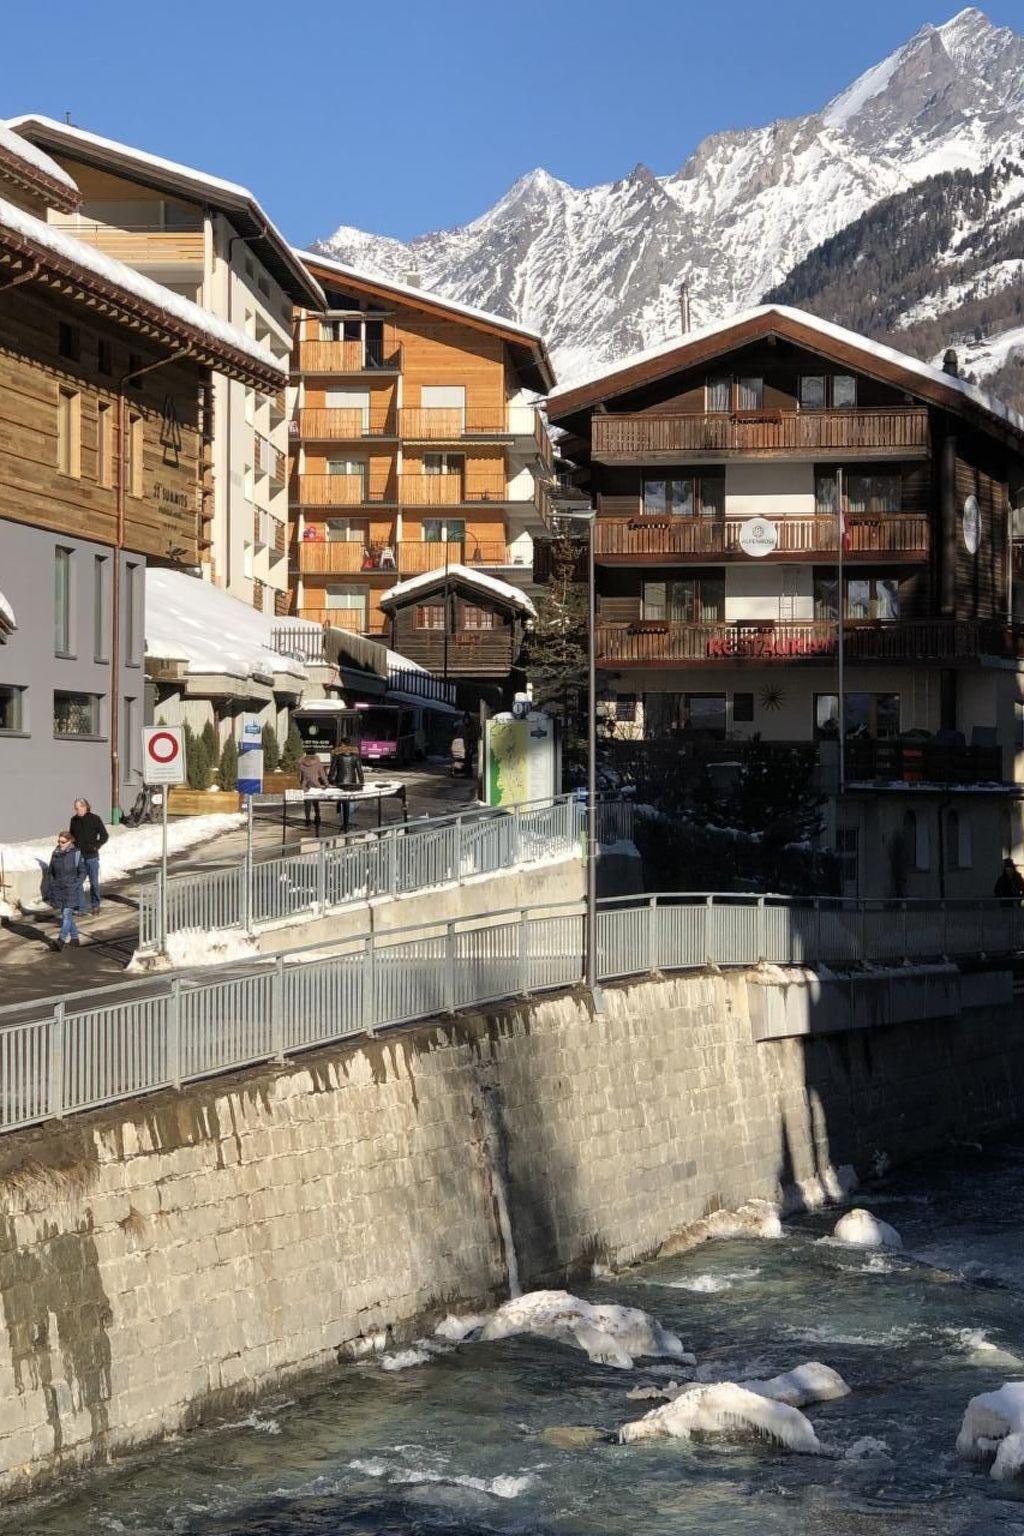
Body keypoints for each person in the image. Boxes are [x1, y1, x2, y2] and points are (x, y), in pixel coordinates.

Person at [42, 830, 85, 950]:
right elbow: (51, 872)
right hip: (58, 890)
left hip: (71, 889)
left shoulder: (76, 854)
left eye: (63, 842)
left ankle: (60, 940)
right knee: (67, 916)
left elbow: (82, 872)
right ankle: (75, 939)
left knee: (66, 915)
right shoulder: (55, 853)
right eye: (59, 841)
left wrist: (75, 884)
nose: (60, 844)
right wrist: (51, 884)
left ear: (70, 841)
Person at [69, 797, 108, 914]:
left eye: (78, 808)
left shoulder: (95, 819)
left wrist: (96, 846)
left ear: (85, 807)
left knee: (94, 883)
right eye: (75, 808)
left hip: (92, 857)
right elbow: (71, 837)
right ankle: (81, 908)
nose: (77, 811)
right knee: (78, 883)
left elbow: (104, 835)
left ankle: (95, 905)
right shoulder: (74, 820)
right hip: (79, 857)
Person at [329, 740, 364, 832]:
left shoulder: (337, 756)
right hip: (351, 782)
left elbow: (332, 769)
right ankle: (350, 822)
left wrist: (330, 780)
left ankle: (344, 823)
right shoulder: (355, 756)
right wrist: (361, 783)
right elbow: (359, 771)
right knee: (350, 801)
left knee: (342, 801)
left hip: (340, 782)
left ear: (343, 744)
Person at [297, 748, 329, 832]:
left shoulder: (301, 764)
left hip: (305, 787)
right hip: (316, 786)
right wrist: (327, 784)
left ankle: (307, 820)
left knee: (307, 804)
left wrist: (302, 784)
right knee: (316, 803)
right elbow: (322, 775)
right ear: (315, 754)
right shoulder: (318, 763)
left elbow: (299, 777)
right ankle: (317, 818)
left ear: (306, 754)